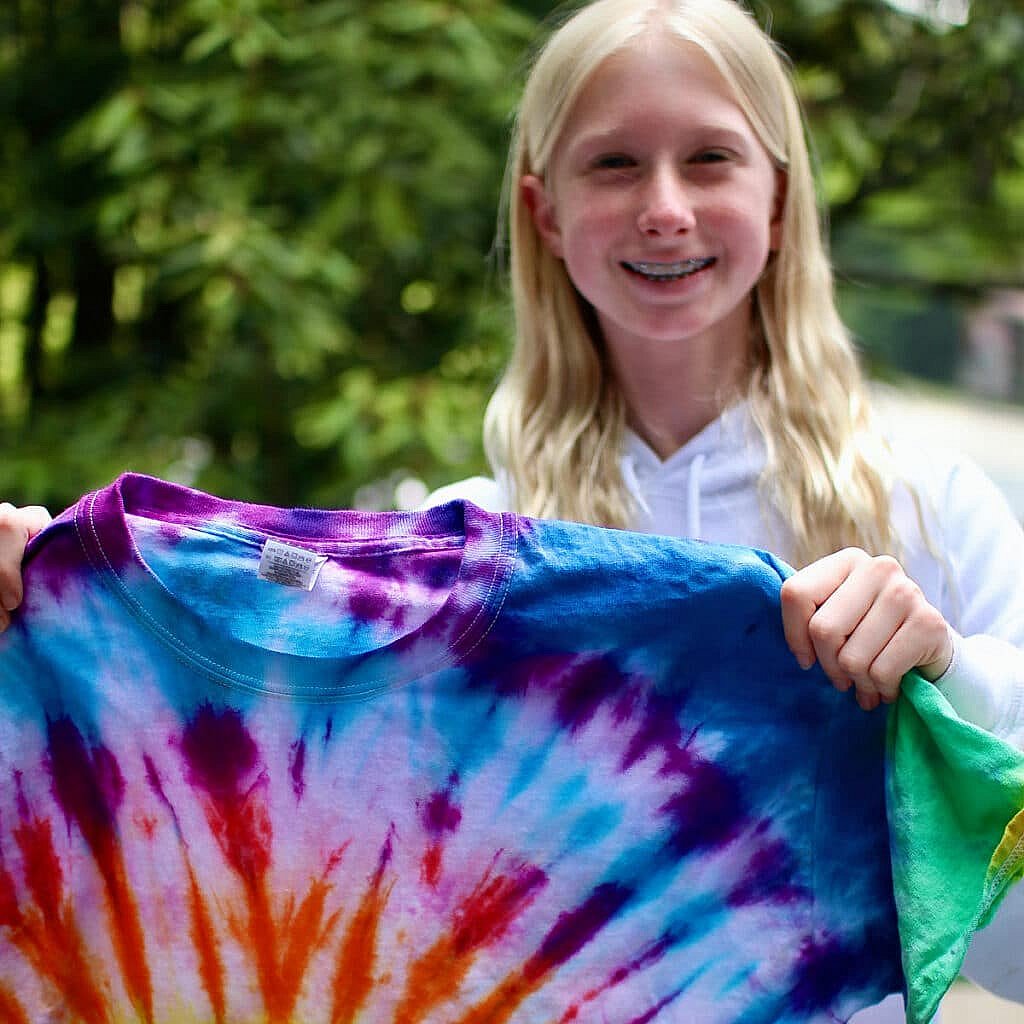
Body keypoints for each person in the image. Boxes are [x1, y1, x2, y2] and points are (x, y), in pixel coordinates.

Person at [0, 0, 1022, 1019]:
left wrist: (949, 682)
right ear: (544, 212)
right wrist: (50, 590)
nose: (664, 206)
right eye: (614, 163)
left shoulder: (929, 518)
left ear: (782, 195)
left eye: (710, 158)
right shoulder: (451, 556)